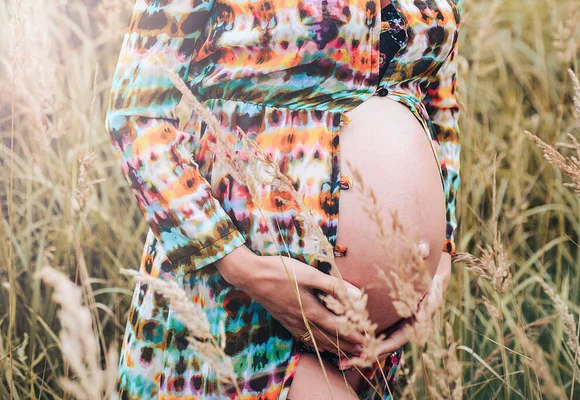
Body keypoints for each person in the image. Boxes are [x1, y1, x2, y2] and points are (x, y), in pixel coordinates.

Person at [104, 0, 462, 397]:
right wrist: (243, 268)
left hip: (379, 346)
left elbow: (440, 105)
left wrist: (441, 255)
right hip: (250, 308)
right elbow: (137, 115)